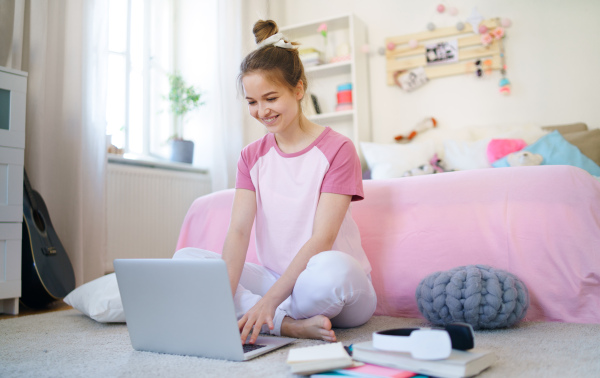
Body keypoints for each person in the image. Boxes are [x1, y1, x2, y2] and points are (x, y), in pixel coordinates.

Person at [173, 19, 377, 345]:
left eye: (270, 98)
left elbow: (322, 238)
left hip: (333, 285)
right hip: (276, 281)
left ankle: (267, 314)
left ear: (298, 90)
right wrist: (219, 302)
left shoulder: (338, 149)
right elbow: (238, 232)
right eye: (252, 102)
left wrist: (267, 301)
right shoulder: (250, 156)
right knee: (186, 261)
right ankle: (287, 325)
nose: (261, 111)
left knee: (332, 269)